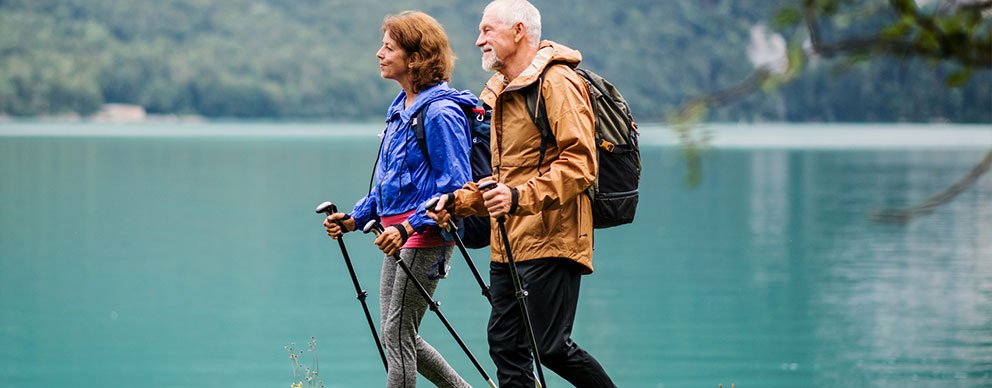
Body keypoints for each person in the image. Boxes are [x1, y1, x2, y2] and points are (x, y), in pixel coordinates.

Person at [428, 0, 617, 386]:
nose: (479, 40)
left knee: (551, 347)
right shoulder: (498, 92)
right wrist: (458, 204)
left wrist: (516, 198)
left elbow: (581, 164)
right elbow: (500, 178)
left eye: (487, 30)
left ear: (518, 31)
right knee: (505, 345)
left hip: (553, 236)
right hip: (508, 241)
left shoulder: (558, 82)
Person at [322, 10, 478, 388]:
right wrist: (355, 218)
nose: (379, 53)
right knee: (396, 334)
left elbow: (456, 190)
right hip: (396, 236)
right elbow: (390, 184)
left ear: (415, 57)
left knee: (396, 333)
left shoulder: (440, 113)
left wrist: (411, 226)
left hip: (425, 238)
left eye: (388, 47)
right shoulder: (400, 110)